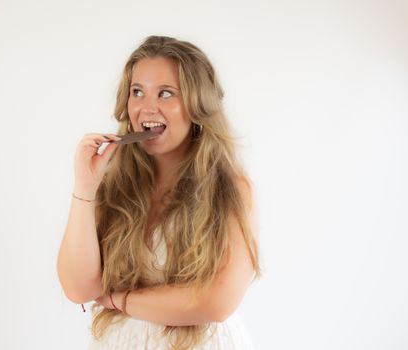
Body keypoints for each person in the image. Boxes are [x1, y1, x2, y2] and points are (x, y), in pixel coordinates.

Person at [57, 35, 262, 350]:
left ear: (198, 105)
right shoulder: (115, 187)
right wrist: (84, 190)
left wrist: (117, 299)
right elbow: (78, 288)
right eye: (137, 92)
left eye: (166, 93)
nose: (146, 107)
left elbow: (217, 302)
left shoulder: (230, 188)